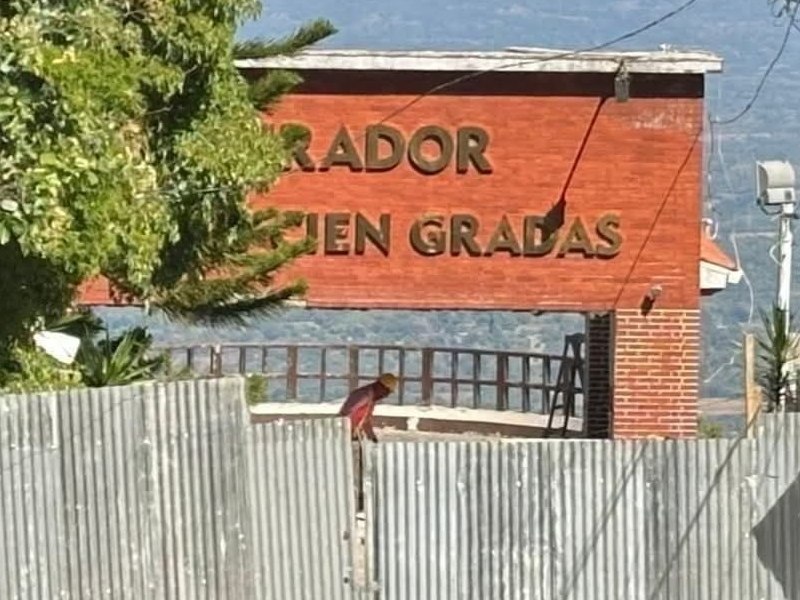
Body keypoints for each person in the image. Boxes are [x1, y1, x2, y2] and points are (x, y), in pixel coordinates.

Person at [338, 373, 398, 442]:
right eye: (387, 392)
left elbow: (366, 421)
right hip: (344, 435)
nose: (386, 395)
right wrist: (350, 432)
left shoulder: (371, 398)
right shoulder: (364, 395)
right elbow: (345, 413)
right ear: (382, 388)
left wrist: (372, 437)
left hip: (354, 435)